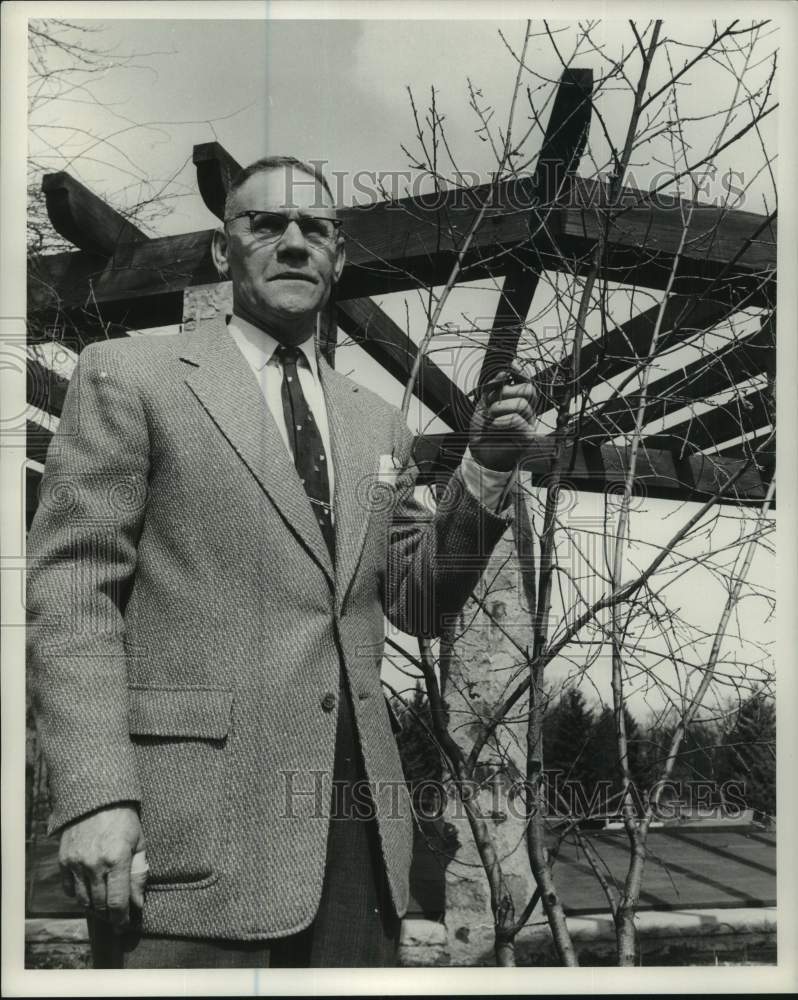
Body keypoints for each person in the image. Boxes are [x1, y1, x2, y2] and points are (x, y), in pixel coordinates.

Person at [26, 156, 540, 969]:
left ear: (338, 257)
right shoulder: (132, 378)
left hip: (357, 838)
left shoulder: (379, 426)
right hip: (190, 836)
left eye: (317, 230)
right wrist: (96, 794)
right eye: (267, 224)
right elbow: (74, 594)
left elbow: (416, 602)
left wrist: (487, 472)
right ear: (225, 253)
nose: (295, 243)